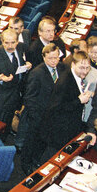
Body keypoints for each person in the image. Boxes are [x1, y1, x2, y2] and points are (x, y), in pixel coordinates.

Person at [19, 43, 63, 172]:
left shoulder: (62, 69)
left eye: (56, 57)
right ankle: (26, 164)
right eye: (51, 58)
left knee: (43, 141)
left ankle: (37, 160)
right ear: (44, 57)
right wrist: (35, 117)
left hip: (53, 115)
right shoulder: (36, 73)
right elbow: (29, 98)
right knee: (31, 141)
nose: (54, 61)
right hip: (38, 115)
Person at [41, 50, 94, 156]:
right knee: (52, 159)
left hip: (70, 127)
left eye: (87, 68)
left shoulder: (77, 77)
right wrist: (79, 101)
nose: (85, 71)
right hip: (59, 131)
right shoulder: (65, 81)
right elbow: (56, 108)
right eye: (81, 68)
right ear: (73, 64)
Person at [0, 28, 31, 132]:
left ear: (17, 41)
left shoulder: (20, 48)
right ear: (2, 42)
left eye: (13, 43)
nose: (10, 46)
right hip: (0, 99)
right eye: (6, 43)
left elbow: (18, 65)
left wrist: (26, 65)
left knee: (8, 124)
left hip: (15, 95)